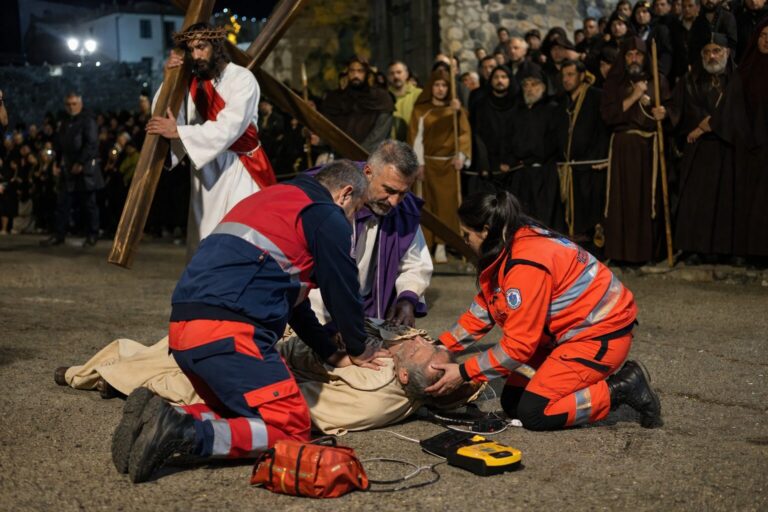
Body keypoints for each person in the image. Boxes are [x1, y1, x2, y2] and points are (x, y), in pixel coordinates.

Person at [112, 160, 386, 483]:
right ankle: (184, 432)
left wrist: (329, 352)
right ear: (345, 194)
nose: (352, 219)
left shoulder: (273, 199)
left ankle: (162, 418)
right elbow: (342, 287)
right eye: (357, 209)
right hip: (229, 333)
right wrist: (358, 347)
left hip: (186, 332)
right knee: (291, 428)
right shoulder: (327, 214)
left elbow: (295, 306)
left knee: (244, 416)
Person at [425, 191, 662, 431]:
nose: (465, 241)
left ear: (486, 231)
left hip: (600, 337)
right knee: (513, 401)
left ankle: (621, 388)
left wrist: (464, 372)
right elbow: (486, 308)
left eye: (467, 234)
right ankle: (571, 384)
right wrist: (440, 346)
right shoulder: (512, 240)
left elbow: (518, 347)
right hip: (567, 334)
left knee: (535, 413)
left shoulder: (524, 265)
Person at [57, 320, 483, 436]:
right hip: (286, 344)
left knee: (183, 361)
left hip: (271, 365)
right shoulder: (401, 354)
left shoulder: (377, 394)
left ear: (407, 377)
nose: (423, 341)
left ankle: (98, 377)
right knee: (180, 341)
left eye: (424, 350)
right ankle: (104, 373)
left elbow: (305, 405)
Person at [148, 23, 276, 259]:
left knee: (244, 240)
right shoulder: (190, 83)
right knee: (205, 243)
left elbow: (230, 127)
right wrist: (170, 80)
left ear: (216, 47)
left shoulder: (242, 78)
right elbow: (165, 117)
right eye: (191, 50)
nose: (196, 55)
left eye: (201, 47)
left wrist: (180, 133)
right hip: (205, 175)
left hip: (241, 169)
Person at [308, 140, 431, 327]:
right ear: (368, 172)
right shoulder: (326, 195)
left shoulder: (404, 210)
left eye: (403, 193)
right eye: (389, 190)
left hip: (370, 312)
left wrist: (407, 299)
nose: (394, 202)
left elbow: (415, 264)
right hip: (317, 311)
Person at [600, 37, 670, 264]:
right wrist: (634, 96)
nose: (633, 59)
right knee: (622, 201)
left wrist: (664, 113)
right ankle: (621, 254)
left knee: (647, 200)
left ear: (645, 57)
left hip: (649, 148)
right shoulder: (614, 83)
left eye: (638, 54)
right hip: (623, 147)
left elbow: (670, 109)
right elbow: (609, 116)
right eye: (629, 55)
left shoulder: (658, 80)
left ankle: (647, 253)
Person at [669, 34, 737, 261]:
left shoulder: (737, 79)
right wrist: (665, 113)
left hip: (727, 149)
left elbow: (739, 112)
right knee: (697, 202)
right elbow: (678, 109)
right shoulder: (690, 80)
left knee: (726, 201)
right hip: (698, 150)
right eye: (707, 52)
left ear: (727, 52)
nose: (712, 56)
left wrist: (708, 125)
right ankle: (696, 249)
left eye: (716, 51)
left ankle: (726, 251)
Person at [408, 67, 471, 264]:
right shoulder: (421, 110)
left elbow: (463, 134)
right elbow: (416, 138)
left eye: (444, 85)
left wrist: (461, 156)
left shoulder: (456, 110)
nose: (441, 89)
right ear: (431, 87)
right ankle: (425, 244)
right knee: (427, 205)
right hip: (427, 165)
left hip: (449, 166)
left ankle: (443, 244)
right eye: (437, 85)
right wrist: (418, 163)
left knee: (446, 206)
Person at [556, 59, 611, 246]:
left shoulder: (596, 96)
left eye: (571, 74)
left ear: (581, 75)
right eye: (564, 75)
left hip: (592, 166)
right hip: (572, 168)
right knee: (576, 218)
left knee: (594, 216)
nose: (566, 79)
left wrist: (602, 156)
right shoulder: (563, 100)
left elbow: (604, 130)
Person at [504, 65, 564, 232]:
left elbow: (553, 142)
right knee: (521, 220)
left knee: (544, 221)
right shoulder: (517, 112)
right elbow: (508, 140)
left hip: (545, 174)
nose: (529, 88)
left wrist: (532, 156)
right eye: (526, 85)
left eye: (534, 84)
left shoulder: (552, 109)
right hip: (521, 174)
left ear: (544, 87)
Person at [40, 92, 103, 247]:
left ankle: (92, 234)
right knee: (62, 203)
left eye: (74, 104)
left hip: (85, 169)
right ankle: (59, 234)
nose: (71, 107)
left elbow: (91, 144)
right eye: (68, 104)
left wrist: (81, 162)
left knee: (88, 204)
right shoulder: (64, 121)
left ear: (80, 104)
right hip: (68, 168)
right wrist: (56, 163)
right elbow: (60, 144)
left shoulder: (88, 120)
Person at [320, 56, 394, 153]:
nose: (355, 75)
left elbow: (379, 133)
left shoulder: (381, 98)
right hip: (340, 154)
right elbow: (329, 128)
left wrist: (359, 152)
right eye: (352, 71)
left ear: (367, 73)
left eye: (360, 71)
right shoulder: (336, 98)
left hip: (371, 156)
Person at [469, 65, 518, 194]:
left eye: (503, 77)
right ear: (490, 80)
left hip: (515, 167)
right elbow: (478, 137)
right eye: (496, 77)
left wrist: (510, 161)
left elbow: (521, 135)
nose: (500, 80)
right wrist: (489, 164)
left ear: (510, 80)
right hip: (489, 167)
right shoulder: (481, 106)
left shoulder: (518, 104)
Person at [388, 61, 423, 141]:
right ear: (388, 77)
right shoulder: (383, 97)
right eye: (392, 73)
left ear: (407, 74)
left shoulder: (419, 94)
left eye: (399, 72)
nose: (395, 76)